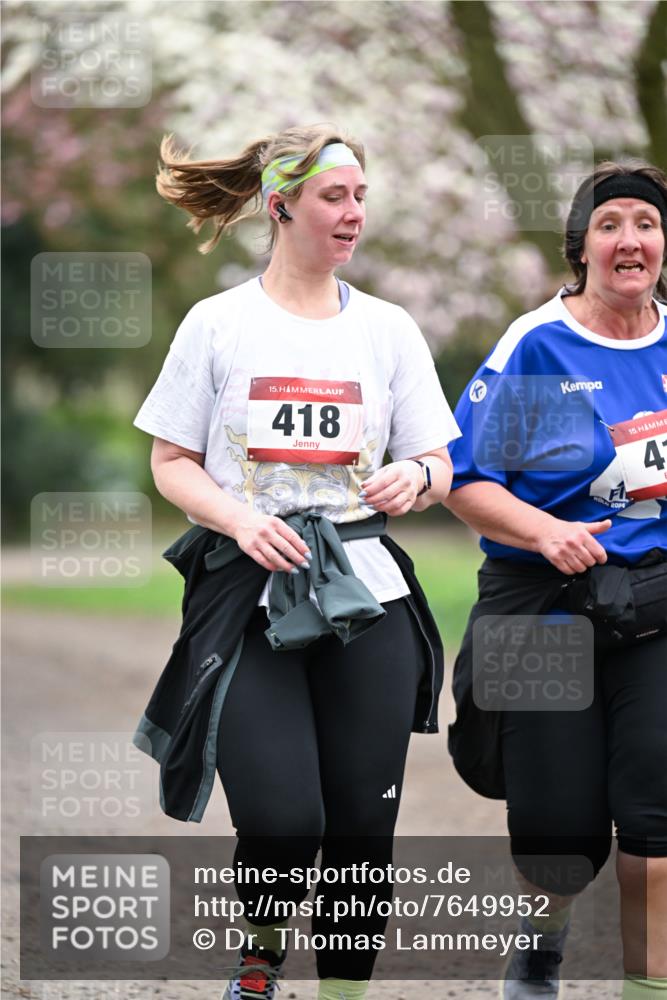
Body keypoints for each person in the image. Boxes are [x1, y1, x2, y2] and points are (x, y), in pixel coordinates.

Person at [132, 124, 460, 1000]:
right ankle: (262, 949)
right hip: (251, 596)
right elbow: (171, 464)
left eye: (360, 197)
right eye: (334, 198)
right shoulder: (218, 323)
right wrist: (239, 521)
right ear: (280, 206)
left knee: (362, 827)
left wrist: (413, 477)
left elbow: (439, 461)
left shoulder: (388, 330)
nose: (354, 214)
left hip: (367, 591)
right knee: (284, 821)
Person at [445, 160, 667, 1000]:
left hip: (653, 603)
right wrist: (546, 533)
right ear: (580, 247)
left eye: (644, 225)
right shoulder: (537, 344)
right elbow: (462, 477)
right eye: (609, 224)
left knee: (654, 806)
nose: (629, 240)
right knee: (557, 826)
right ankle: (538, 948)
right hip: (538, 601)